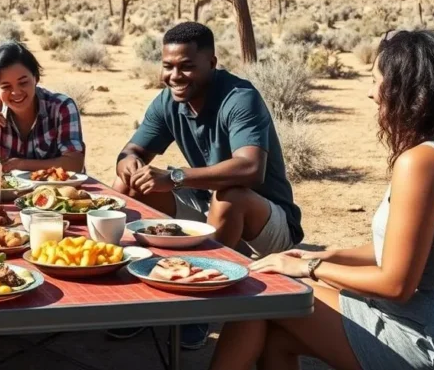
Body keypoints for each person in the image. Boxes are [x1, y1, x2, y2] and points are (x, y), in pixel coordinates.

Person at [211, 29, 434, 370]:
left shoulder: (424, 164)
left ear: (407, 90)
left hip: (427, 347)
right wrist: (327, 254)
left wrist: (309, 268)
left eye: (376, 80)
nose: (370, 93)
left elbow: (395, 284)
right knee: (276, 337)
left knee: (262, 291)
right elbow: (403, 251)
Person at [112, 22, 303, 349]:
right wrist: (129, 164)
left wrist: (174, 177)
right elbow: (131, 151)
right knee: (129, 185)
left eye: (187, 67)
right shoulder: (167, 101)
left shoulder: (239, 98)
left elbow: (251, 169)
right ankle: (139, 294)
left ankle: (199, 312)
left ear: (212, 63)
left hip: (264, 225)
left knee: (230, 197)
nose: (175, 76)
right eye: (168, 66)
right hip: (207, 212)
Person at [0, 41, 85, 174]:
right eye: (6, 86)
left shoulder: (61, 107)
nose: (16, 92)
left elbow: (74, 164)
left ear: (35, 78)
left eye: (23, 83)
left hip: (59, 195)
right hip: (8, 195)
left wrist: (22, 165)